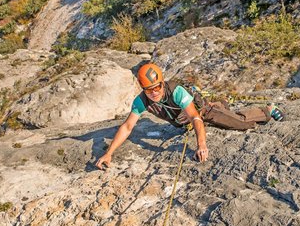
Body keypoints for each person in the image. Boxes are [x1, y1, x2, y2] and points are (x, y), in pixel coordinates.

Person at [95, 63, 284, 170]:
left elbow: (195, 118)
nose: (154, 93)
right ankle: (221, 105)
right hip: (182, 121)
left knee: (241, 124)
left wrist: (201, 145)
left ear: (162, 82)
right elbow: (127, 127)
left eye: (157, 87)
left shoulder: (176, 91)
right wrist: (109, 153)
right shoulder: (141, 101)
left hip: (202, 113)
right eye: (148, 90)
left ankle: (267, 110)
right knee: (223, 114)